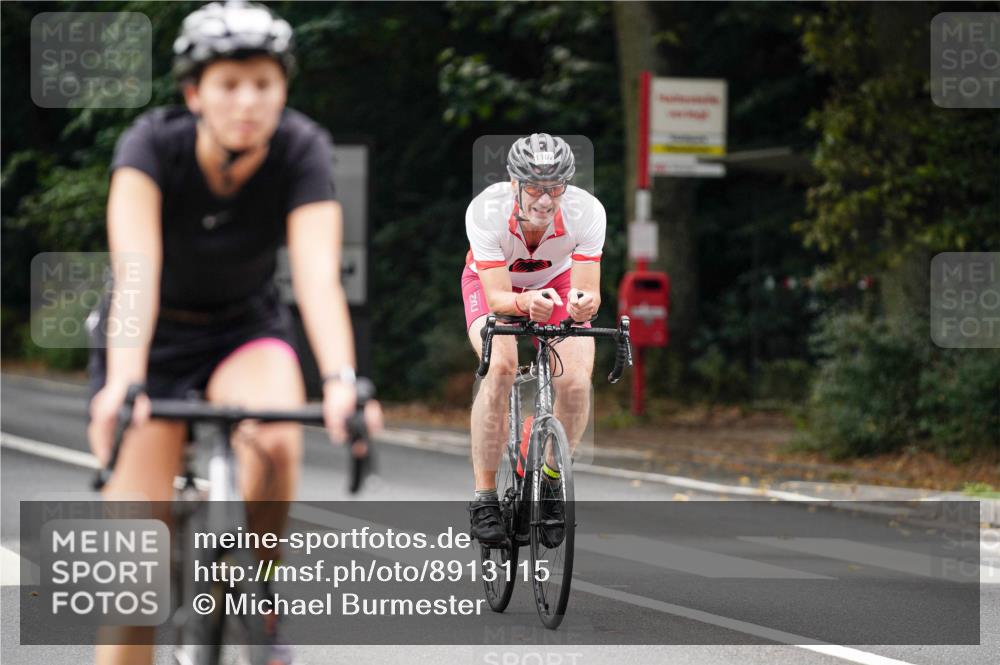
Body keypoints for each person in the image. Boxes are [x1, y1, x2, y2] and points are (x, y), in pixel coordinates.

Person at [86, 3, 378, 663]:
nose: (247, 101)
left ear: (284, 89)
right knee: (137, 577)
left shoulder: (302, 147)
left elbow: (316, 275)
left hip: (242, 330)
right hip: (150, 339)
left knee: (277, 440)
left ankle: (257, 598)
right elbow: (135, 273)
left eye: (264, 84)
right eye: (228, 84)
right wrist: (124, 383)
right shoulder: (149, 147)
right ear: (195, 93)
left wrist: (340, 380)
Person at [462, 133, 606, 545]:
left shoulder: (587, 211)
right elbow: (497, 297)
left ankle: (552, 478)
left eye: (555, 188)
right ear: (514, 183)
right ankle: (484, 496)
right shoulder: (486, 211)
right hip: (496, 285)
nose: (545, 200)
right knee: (502, 367)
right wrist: (524, 303)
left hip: (557, 284)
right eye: (534, 188)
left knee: (576, 381)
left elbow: (588, 291)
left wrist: (582, 306)